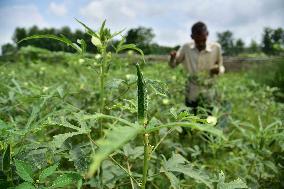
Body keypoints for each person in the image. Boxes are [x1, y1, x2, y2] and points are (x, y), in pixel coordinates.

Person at [169, 21, 225, 115]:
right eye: (197, 40)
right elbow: (173, 65)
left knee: (207, 120)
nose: (200, 43)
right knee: (189, 122)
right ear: (192, 37)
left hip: (208, 92)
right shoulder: (186, 48)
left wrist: (218, 70)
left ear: (207, 34)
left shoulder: (216, 48)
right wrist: (172, 58)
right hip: (191, 91)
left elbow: (221, 66)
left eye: (203, 39)